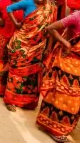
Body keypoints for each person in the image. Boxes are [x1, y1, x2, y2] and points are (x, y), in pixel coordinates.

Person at [4, 0, 57, 112]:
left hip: (38, 46)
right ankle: (10, 100)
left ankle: (28, 101)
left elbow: (51, 29)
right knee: (15, 72)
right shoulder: (28, 2)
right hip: (21, 43)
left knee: (31, 74)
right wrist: (16, 23)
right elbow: (9, 8)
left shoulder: (52, 8)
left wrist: (49, 48)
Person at [36, 12, 80, 143]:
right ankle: (56, 130)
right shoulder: (77, 17)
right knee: (65, 96)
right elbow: (50, 28)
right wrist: (65, 43)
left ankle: (54, 124)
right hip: (68, 60)